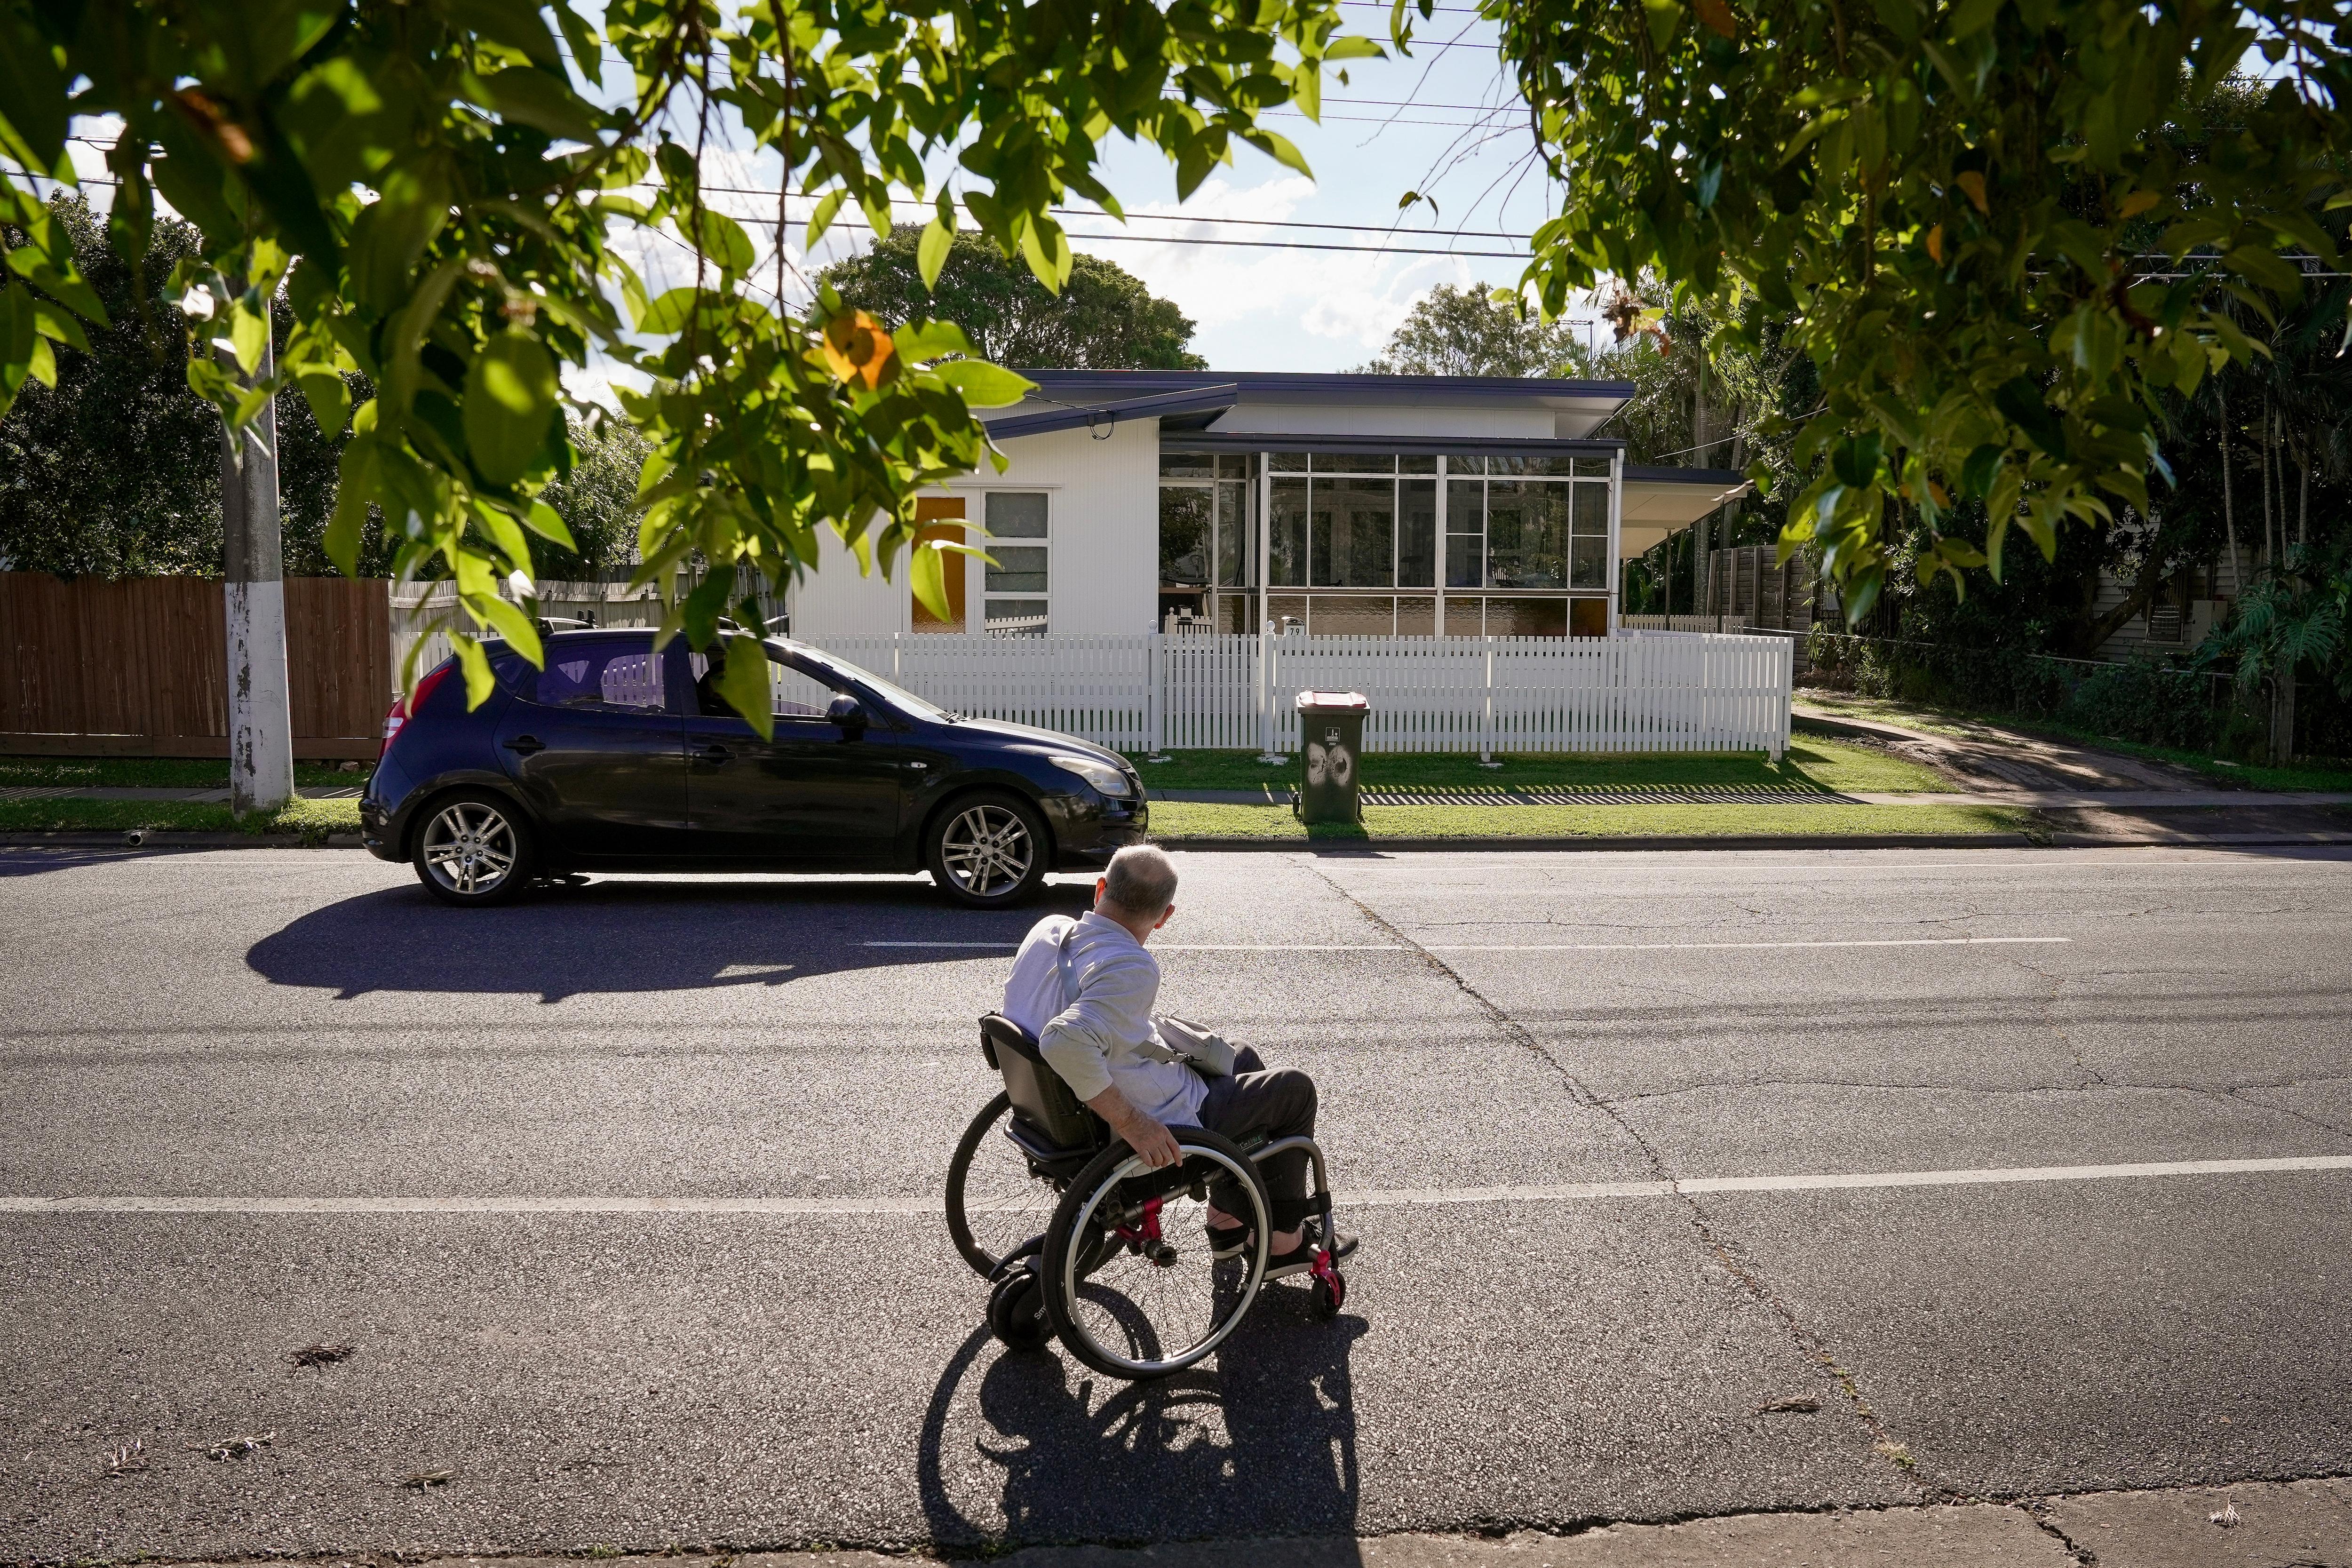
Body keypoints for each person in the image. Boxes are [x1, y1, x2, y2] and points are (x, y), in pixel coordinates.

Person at [1001, 844, 1355, 1273]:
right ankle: (1282, 1242)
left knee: (1240, 1057)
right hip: (1150, 1124)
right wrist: (1136, 1124)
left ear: (1101, 889)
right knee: (1294, 1090)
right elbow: (1064, 1042)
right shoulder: (1130, 965)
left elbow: (1051, 1026)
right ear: (1165, 915)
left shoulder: (1049, 930)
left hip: (1057, 1113)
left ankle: (1228, 1220)